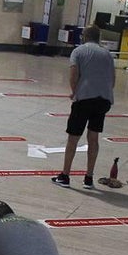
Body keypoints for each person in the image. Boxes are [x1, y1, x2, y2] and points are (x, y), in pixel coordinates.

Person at [52, 23, 115, 190]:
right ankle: (88, 178)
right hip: (103, 100)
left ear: (84, 37)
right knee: (93, 138)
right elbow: (112, 80)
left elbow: (73, 75)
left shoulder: (78, 51)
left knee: (73, 138)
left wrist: (74, 92)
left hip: (84, 99)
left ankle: (65, 175)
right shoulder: (107, 54)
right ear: (98, 38)